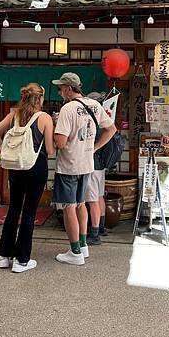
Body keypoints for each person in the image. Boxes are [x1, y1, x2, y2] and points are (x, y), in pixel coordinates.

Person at [0, 83, 55, 273]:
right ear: (40, 98)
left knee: (14, 209)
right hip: (36, 168)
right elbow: (50, 150)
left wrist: (6, 150)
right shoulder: (44, 118)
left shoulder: (13, 115)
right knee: (29, 211)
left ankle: (3, 255)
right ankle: (22, 260)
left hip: (15, 168)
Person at [52, 73, 116, 265]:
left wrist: (54, 130)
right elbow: (111, 129)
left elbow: (61, 143)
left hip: (69, 165)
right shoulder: (94, 105)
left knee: (69, 207)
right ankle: (83, 246)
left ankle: (75, 252)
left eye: (61, 88)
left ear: (69, 89)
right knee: (81, 204)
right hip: (87, 164)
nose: (60, 92)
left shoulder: (68, 109)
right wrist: (95, 147)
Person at [84, 91, 108, 246]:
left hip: (92, 164)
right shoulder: (103, 119)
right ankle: (101, 227)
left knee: (92, 200)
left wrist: (94, 148)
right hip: (101, 165)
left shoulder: (92, 122)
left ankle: (94, 234)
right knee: (99, 196)